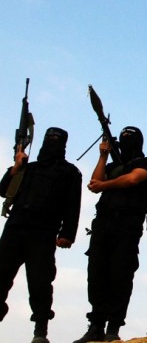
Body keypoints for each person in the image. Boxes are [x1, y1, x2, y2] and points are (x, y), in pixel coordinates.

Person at [73, 127, 147, 342]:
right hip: (103, 224)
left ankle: (113, 327)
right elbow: (94, 183)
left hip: (127, 225)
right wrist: (103, 156)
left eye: (129, 138)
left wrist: (105, 185)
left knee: (121, 274)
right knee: (96, 274)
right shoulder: (112, 166)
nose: (125, 141)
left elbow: (132, 179)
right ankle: (96, 326)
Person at [0, 127, 82, 343]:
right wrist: (16, 167)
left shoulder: (70, 173)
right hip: (15, 228)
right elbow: (3, 190)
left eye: (56, 139)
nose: (52, 142)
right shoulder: (27, 168)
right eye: (49, 138)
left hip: (43, 233)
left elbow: (73, 206)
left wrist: (67, 234)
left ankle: (40, 330)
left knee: (40, 283)